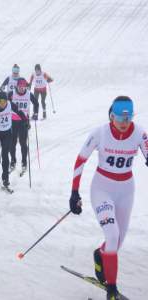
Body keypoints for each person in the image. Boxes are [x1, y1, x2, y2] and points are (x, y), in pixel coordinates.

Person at [69, 96, 148, 300]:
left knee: (118, 241)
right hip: (102, 188)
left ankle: (100, 254)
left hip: (126, 190)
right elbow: (80, 161)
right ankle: (111, 289)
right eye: (120, 119)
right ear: (111, 115)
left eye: (128, 119)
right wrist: (74, 192)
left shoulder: (140, 133)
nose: (124, 123)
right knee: (112, 236)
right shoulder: (100, 133)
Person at [0, 91, 27, 190]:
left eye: (4, 101)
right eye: (0, 101)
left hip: (7, 134)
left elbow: (19, 112)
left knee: (5, 157)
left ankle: (5, 180)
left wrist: (25, 121)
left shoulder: (10, 105)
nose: (3, 103)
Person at [7, 77, 38, 173]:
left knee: (23, 142)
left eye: (23, 86)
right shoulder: (12, 94)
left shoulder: (29, 94)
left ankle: (24, 162)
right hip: (13, 121)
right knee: (12, 143)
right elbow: (4, 103)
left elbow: (36, 103)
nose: (22, 88)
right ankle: (13, 161)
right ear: (17, 86)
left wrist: (35, 113)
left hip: (24, 122)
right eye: (20, 86)